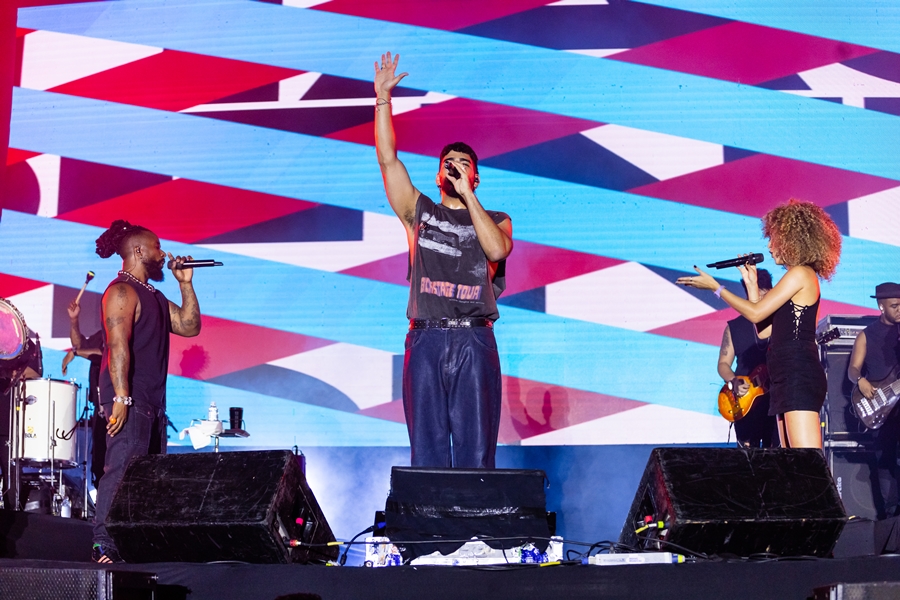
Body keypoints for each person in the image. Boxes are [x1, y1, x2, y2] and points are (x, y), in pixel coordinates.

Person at [374, 52, 513, 468]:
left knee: (476, 454)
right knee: (427, 455)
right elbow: (388, 160)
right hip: (426, 339)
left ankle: (478, 513)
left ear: (475, 177)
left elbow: (496, 251)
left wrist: (467, 195)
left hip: (474, 339)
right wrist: (383, 99)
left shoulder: (497, 219)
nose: (454, 168)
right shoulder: (419, 212)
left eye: (464, 165)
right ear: (437, 175)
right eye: (447, 164)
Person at [678, 199, 842, 449]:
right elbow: (764, 330)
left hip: (798, 374)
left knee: (806, 462)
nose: (769, 246)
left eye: (773, 239)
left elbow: (755, 314)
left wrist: (717, 288)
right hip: (784, 375)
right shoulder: (794, 278)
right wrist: (752, 286)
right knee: (791, 462)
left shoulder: (800, 274)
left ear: (791, 240)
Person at [91, 220, 201, 563]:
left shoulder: (153, 295)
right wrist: (121, 397)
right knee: (121, 468)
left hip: (152, 400)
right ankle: (103, 544)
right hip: (130, 396)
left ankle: (133, 544)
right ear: (138, 251)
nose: (163, 254)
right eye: (156, 247)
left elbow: (189, 326)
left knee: (146, 478)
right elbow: (117, 344)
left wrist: (185, 285)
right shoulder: (121, 291)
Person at [848, 282, 900, 516]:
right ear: (881, 307)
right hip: (881, 405)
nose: (899, 310)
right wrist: (860, 380)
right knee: (885, 460)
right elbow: (853, 369)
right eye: (894, 306)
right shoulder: (866, 335)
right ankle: (890, 517)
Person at [717, 269, 779, 448]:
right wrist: (733, 380)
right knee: (747, 455)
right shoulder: (734, 327)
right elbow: (723, 363)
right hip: (745, 399)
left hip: (775, 399)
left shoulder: (780, 323)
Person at [61, 299, 106, 488]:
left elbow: (105, 354)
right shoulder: (102, 334)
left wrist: (76, 352)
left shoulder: (121, 333)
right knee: (99, 460)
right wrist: (74, 320)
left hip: (115, 405)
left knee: (111, 460)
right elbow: (79, 344)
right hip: (100, 408)